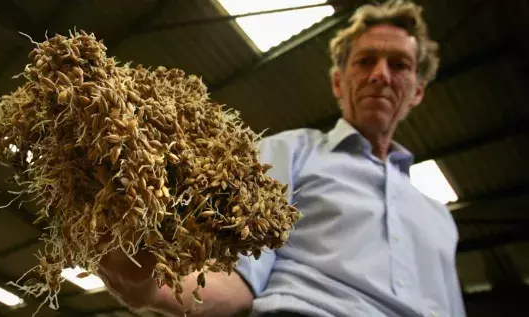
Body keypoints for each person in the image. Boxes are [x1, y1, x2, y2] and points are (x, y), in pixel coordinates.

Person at [96, 1, 467, 316]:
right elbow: (240, 280)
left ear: (417, 91)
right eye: (365, 61)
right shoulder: (291, 152)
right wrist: (150, 287)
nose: (380, 75)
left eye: (399, 64)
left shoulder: (439, 219)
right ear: (339, 82)